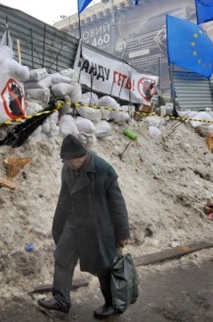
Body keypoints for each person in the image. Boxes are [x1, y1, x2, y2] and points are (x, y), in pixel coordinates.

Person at [38, 134, 131, 319]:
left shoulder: (103, 169)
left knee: (104, 267)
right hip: (74, 223)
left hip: (98, 228)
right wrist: (58, 225)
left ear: (81, 156)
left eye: (69, 160)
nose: (66, 163)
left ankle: (112, 304)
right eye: (64, 160)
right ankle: (61, 300)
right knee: (62, 257)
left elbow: (117, 204)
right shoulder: (67, 168)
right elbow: (64, 197)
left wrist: (123, 234)